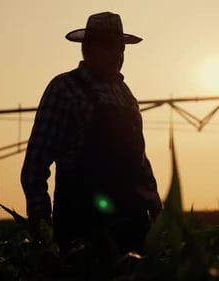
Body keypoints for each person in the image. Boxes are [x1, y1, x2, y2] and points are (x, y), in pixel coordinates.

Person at [20, 12, 162, 256]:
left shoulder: (125, 94)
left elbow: (140, 161)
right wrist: (40, 215)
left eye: (120, 48)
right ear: (87, 48)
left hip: (131, 223)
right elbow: (36, 161)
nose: (116, 54)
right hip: (82, 222)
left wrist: (155, 207)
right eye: (108, 46)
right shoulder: (64, 89)